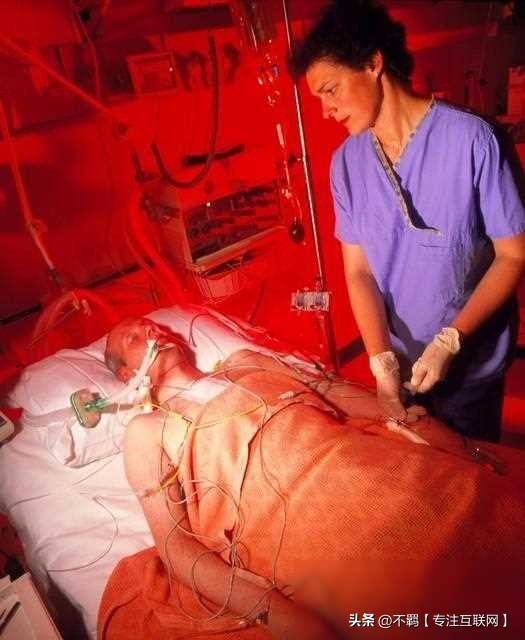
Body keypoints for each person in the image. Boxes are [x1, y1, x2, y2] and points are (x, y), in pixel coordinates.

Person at [98, 317, 525, 640]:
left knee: (482, 510)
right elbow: (174, 548)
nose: (152, 330)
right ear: (126, 377)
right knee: (417, 595)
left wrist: (421, 425)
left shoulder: (243, 365)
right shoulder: (148, 430)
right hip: (292, 518)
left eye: (152, 324)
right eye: (133, 337)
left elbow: (332, 392)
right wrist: (273, 612)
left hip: (366, 462)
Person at [289, 0, 525, 442]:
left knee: (473, 468)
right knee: (419, 466)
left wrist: (451, 340)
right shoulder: (347, 164)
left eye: (331, 90)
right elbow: (359, 272)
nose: (325, 110)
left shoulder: (474, 141)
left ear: (373, 63)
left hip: (470, 362)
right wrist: (381, 361)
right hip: (402, 363)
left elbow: (513, 255)